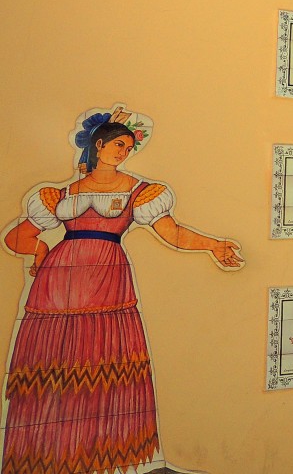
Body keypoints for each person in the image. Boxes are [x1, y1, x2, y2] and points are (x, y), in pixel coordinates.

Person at [1, 107, 243, 474]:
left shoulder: (140, 191)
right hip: (58, 283)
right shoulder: (59, 194)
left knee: (102, 362)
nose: (123, 152)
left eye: (128, 147)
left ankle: (104, 455)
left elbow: (172, 233)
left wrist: (213, 244)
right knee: (56, 363)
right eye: (118, 144)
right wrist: (40, 249)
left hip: (107, 278)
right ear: (98, 146)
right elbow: (17, 237)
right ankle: (51, 455)